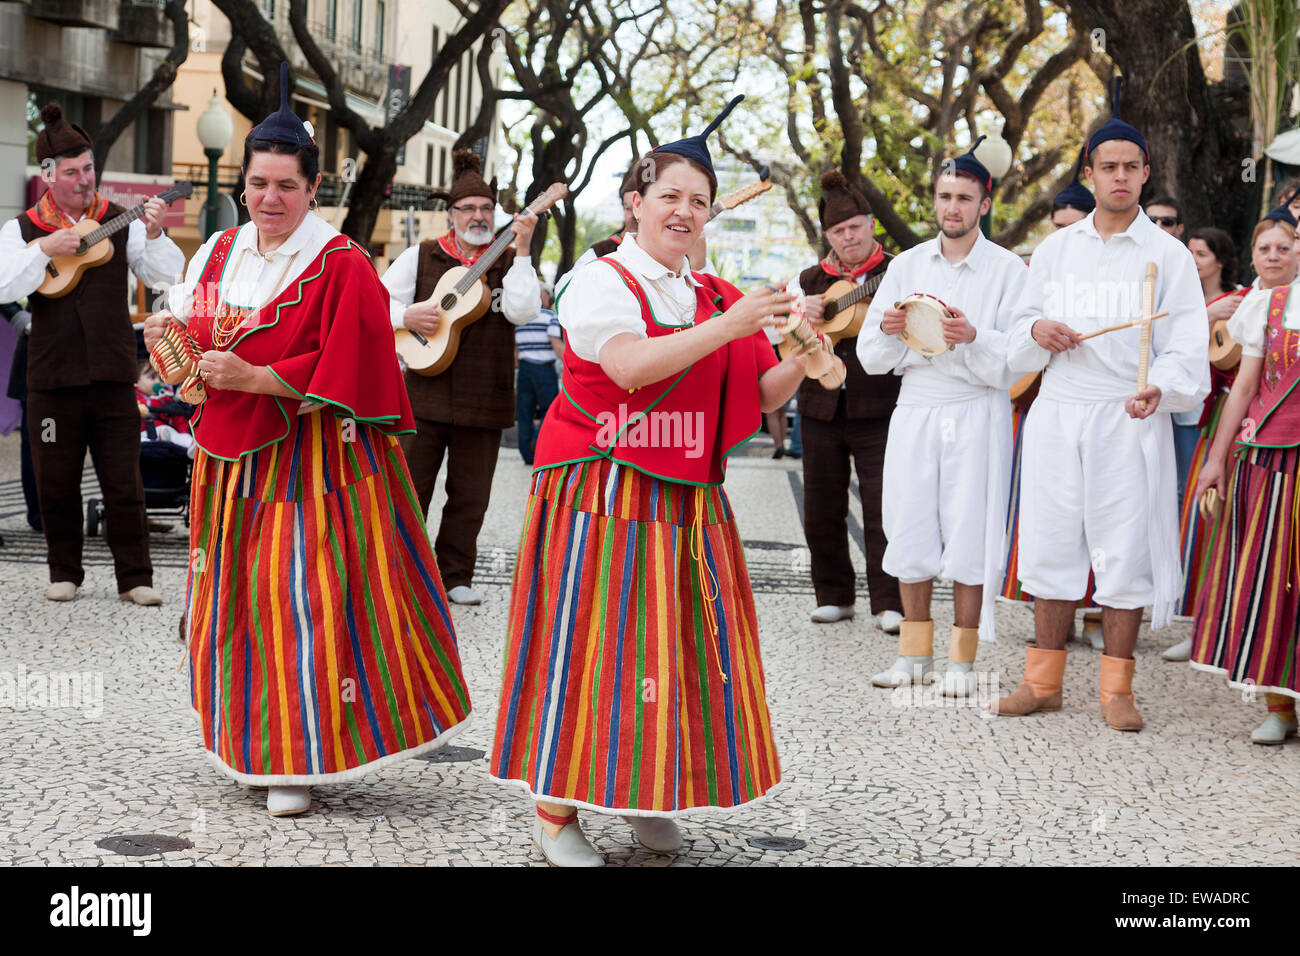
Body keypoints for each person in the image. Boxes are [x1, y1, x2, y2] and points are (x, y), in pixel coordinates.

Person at [142, 65, 472, 817]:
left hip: (314, 465)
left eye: (285, 185)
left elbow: (358, 369)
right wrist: (174, 345)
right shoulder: (217, 252)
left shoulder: (344, 264)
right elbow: (196, 357)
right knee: (238, 602)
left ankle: (301, 755)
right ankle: (246, 738)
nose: (268, 198)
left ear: (313, 187)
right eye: (258, 183)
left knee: (304, 603)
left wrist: (259, 380)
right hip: (227, 465)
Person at [490, 96, 806, 866]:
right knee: (586, 644)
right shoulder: (602, 280)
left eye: (698, 201)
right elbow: (627, 366)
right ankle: (555, 809)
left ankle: (640, 792)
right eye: (669, 195)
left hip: (688, 492)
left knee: (669, 653)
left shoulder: (713, 293)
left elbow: (762, 397)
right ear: (635, 203)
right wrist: (731, 326)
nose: (685, 211)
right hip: (600, 489)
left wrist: (806, 351)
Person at [994, 79, 1209, 732]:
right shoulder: (1057, 249)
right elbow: (1017, 331)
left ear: (1146, 173)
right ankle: (1042, 680)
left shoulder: (1168, 257)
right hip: (1059, 410)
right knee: (1052, 546)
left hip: (1127, 413)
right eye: (1107, 166)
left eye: (1130, 167)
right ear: (1089, 173)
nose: (1119, 177)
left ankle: (1117, 689)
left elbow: (1187, 351)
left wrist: (1161, 389)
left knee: (1123, 552)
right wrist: (1037, 333)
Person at [858, 137, 1027, 694]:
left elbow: (1016, 360)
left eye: (963, 197)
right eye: (943, 196)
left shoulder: (1007, 270)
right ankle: (912, 655)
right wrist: (887, 332)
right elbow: (870, 357)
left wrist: (973, 339)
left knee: (969, 529)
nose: (951, 207)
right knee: (907, 525)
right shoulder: (907, 264)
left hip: (975, 409)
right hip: (917, 404)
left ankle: (961, 661)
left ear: (984, 202)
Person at [0, 104, 182, 605]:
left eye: (89, 170)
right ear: (49, 176)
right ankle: (65, 572)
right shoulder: (23, 229)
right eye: (74, 172)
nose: (84, 181)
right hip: (51, 376)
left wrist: (154, 232)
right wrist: (44, 249)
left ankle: (136, 578)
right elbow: (3, 281)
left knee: (125, 479)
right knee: (55, 483)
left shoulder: (117, 222)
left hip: (110, 371)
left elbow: (167, 277)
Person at [381, 150, 540, 606]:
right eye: (468, 208)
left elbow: (523, 311)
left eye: (486, 208)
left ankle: (455, 575)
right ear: (451, 214)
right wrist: (407, 315)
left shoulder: (509, 260)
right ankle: (400, 571)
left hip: (485, 396)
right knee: (410, 489)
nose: (478, 216)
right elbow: (373, 303)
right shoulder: (423, 254)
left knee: (470, 497)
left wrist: (524, 251)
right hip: (423, 393)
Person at [1189, 205, 1300, 744]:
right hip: (1269, 457)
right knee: (1269, 577)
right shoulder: (1268, 306)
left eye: (1287, 245)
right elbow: (1246, 388)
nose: (1278, 255)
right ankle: (1279, 705)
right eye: (1268, 248)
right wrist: (1216, 458)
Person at [786, 170, 904, 631]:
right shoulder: (809, 278)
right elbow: (787, 337)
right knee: (821, 506)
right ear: (828, 236)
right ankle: (833, 595)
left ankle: (889, 601)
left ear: (870, 223)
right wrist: (803, 315)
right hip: (821, 405)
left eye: (855, 226)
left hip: (882, 405)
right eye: (838, 230)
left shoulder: (898, 269)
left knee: (883, 508)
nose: (848, 236)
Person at [1002, 151, 1104, 650]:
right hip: (1036, 409)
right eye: (1056, 224)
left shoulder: (1108, 272)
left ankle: (1094, 614)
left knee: (1096, 517)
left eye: (1072, 224)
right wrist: (1035, 333)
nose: (1062, 232)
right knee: (1046, 519)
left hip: (1097, 413)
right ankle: (1048, 622)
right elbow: (1012, 334)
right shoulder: (1037, 267)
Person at [1162, 226, 1247, 661]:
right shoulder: (1182, 301)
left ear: (1221, 258)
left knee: (1221, 516)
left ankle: (1221, 627)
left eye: (1201, 253)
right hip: (1185, 415)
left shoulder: (1244, 298)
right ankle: (1195, 621)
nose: (1194, 260)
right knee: (1189, 511)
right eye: (1189, 252)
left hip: (1227, 421)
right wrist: (1208, 315)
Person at [513, 284, 562, 465]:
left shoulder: (520, 319)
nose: (549, 298)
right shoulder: (550, 317)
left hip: (524, 370)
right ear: (541, 296)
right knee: (549, 411)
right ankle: (538, 443)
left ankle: (527, 453)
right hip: (544, 371)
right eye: (547, 295)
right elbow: (557, 346)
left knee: (524, 412)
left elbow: (515, 350)